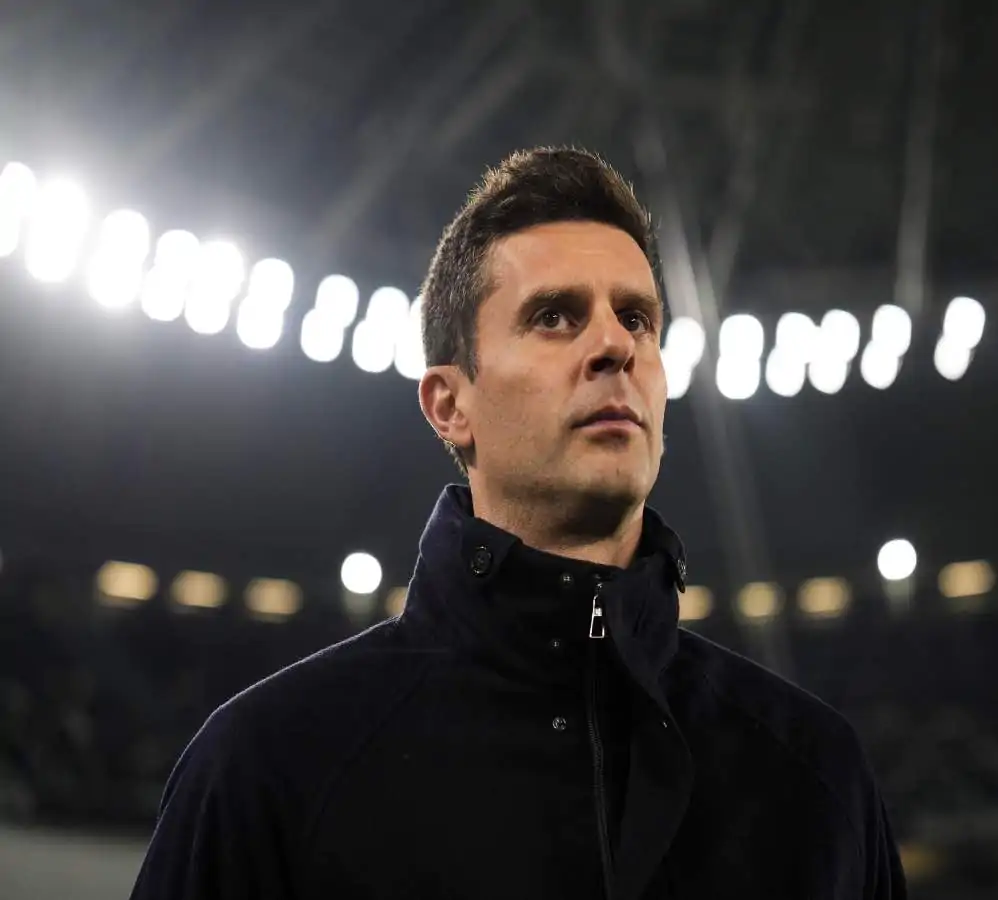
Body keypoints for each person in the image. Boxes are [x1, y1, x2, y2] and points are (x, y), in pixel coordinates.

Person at [131, 147, 906, 900]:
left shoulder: (817, 779)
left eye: (637, 318)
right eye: (555, 317)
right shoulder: (268, 767)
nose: (615, 346)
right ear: (450, 405)